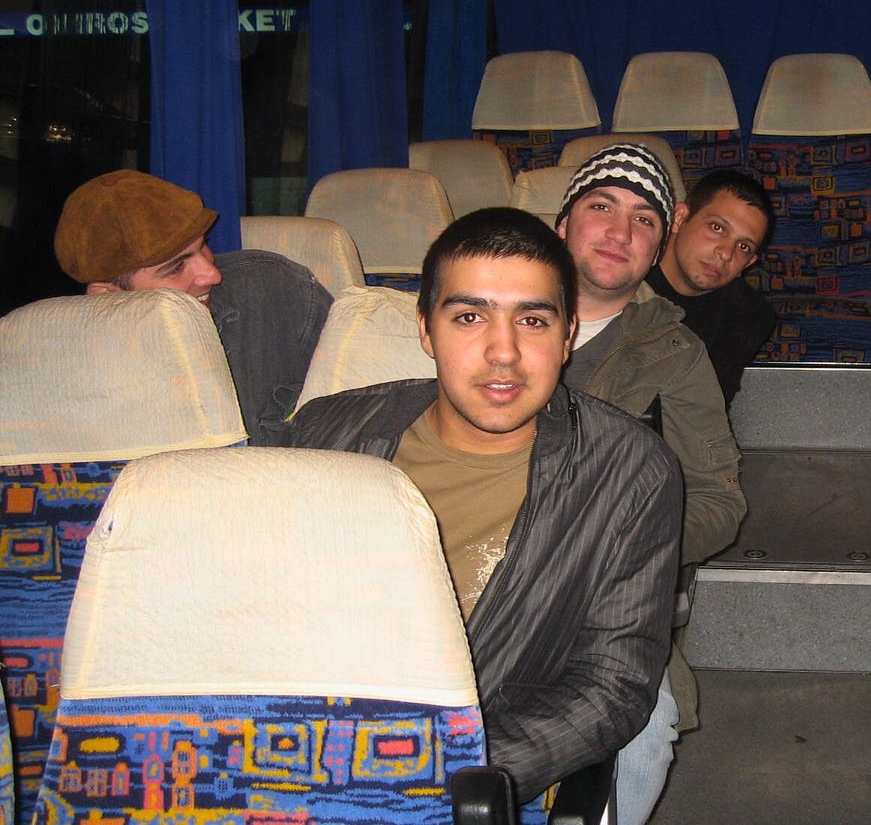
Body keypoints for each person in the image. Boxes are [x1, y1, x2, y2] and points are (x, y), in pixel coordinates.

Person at [287, 207, 681, 802]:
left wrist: (454, 772)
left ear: (568, 335)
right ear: (425, 330)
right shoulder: (324, 433)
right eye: (469, 316)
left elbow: (612, 684)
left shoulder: (629, 472)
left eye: (533, 320)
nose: (503, 351)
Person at [555, 143, 748, 825]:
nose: (619, 231)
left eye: (643, 219)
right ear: (561, 225)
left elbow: (721, 498)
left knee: (645, 734)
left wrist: (638, 548)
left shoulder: (676, 351)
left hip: (607, 598)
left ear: (658, 243)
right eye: (600, 207)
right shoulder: (487, 314)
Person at [52, 169, 331, 445]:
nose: (212, 274)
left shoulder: (277, 292)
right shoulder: (63, 380)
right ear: (107, 297)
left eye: (203, 247)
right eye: (176, 267)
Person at [645, 168, 777, 406]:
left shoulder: (748, 316)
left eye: (744, 247)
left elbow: (704, 413)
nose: (726, 253)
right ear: (679, 218)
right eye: (717, 228)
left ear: (749, 263)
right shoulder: (624, 280)